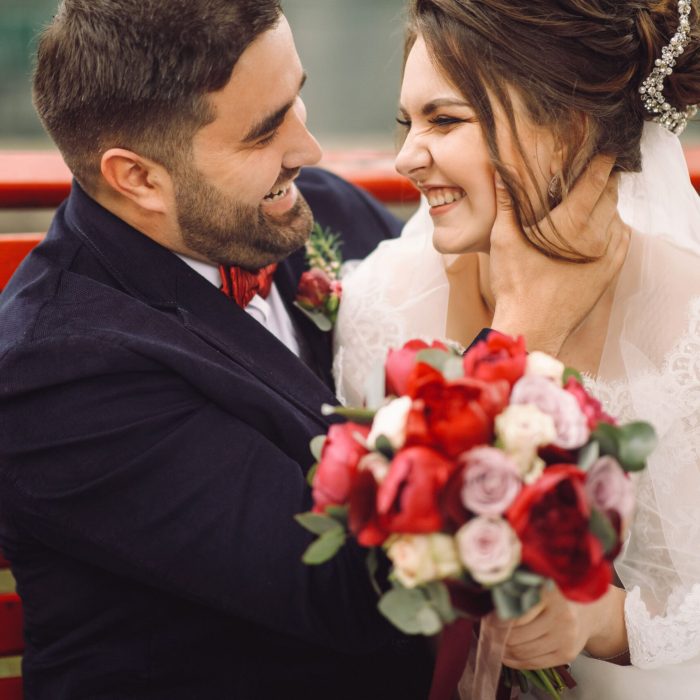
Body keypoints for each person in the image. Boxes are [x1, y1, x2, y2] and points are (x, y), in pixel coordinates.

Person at [0, 1, 627, 699]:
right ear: (139, 178)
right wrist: (524, 333)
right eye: (264, 132)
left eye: (296, 98)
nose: (310, 149)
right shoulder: (54, 372)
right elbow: (360, 593)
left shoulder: (319, 208)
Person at [334, 0, 700, 698]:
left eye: (444, 120)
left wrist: (606, 620)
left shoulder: (690, 322)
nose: (407, 156)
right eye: (406, 122)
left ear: (561, 129)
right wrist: (529, 327)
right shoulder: (381, 303)